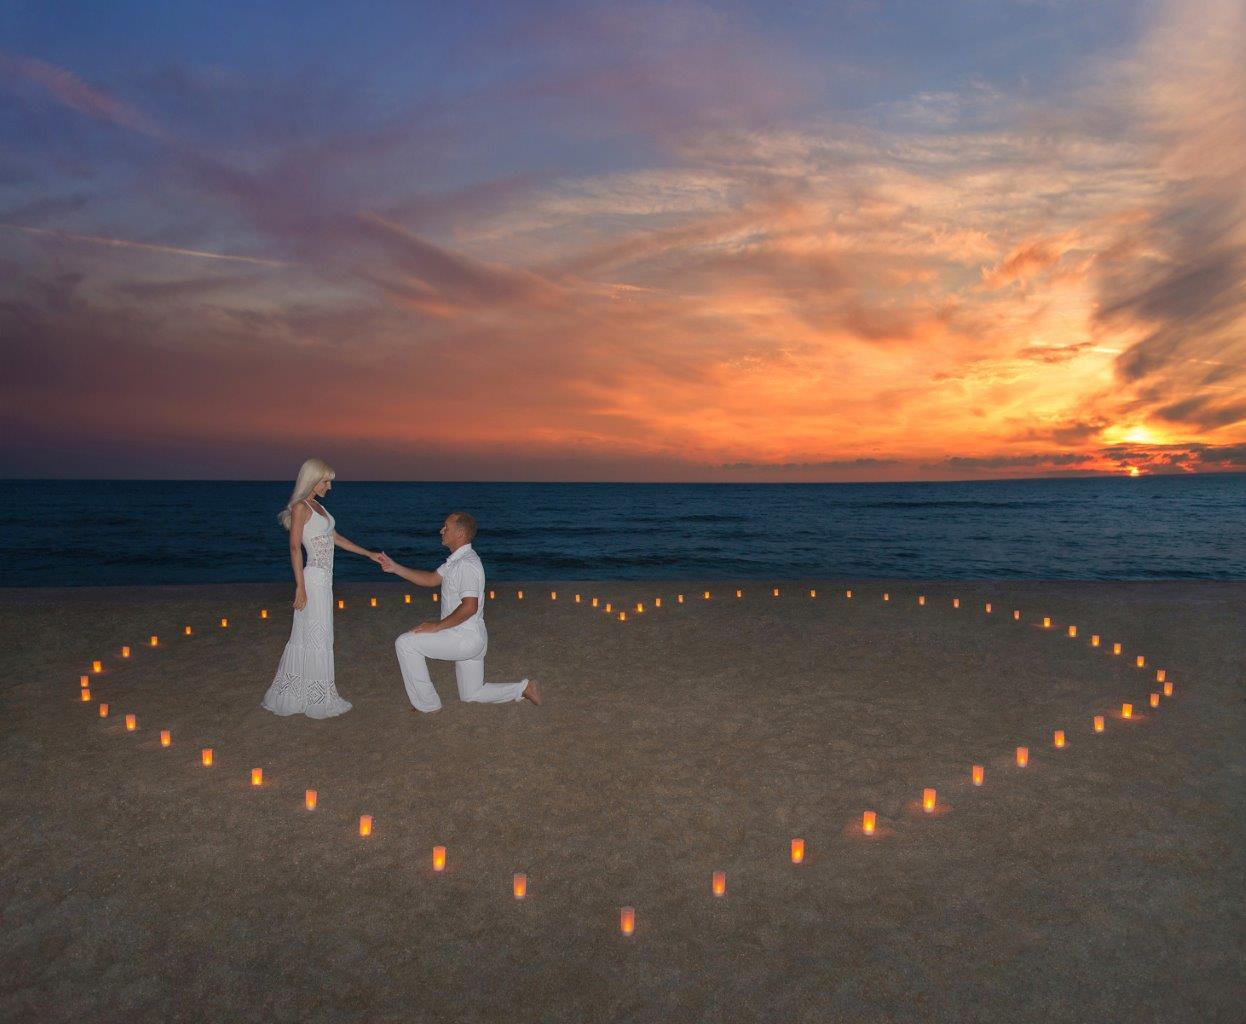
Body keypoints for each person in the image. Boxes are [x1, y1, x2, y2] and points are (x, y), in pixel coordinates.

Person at [380, 512, 541, 713]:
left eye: (446, 527)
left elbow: (470, 606)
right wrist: (394, 567)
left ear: (461, 533)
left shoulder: (467, 564)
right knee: (471, 693)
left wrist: (436, 627)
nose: (441, 530)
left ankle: (427, 704)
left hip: (464, 638)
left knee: (405, 643)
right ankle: (523, 688)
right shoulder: (457, 561)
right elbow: (431, 579)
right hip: (470, 636)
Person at [261, 458, 380, 718]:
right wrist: (300, 587)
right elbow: (294, 547)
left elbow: (335, 538)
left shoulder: (319, 508)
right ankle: (312, 697)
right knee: (312, 636)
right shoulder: (300, 507)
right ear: (313, 480)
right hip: (313, 579)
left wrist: (368, 554)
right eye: (326, 481)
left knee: (319, 636)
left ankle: (315, 693)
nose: (329, 486)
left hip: (325, 582)